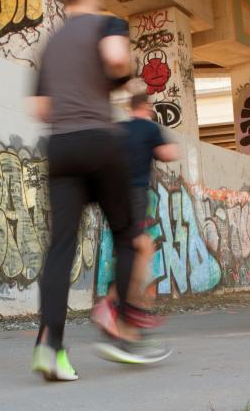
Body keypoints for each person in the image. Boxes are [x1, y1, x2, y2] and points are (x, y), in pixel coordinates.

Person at [29, 0, 141, 381]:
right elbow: (116, 59)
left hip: (60, 147)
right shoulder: (108, 24)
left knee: (61, 246)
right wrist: (119, 75)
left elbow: (40, 109)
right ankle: (118, 320)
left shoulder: (51, 44)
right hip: (99, 142)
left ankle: (50, 346)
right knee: (127, 233)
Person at [91, 93, 178, 355]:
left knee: (139, 247)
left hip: (112, 195)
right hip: (134, 195)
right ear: (147, 108)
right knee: (138, 249)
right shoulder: (150, 128)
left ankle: (125, 311)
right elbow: (168, 154)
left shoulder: (119, 129)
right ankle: (120, 311)